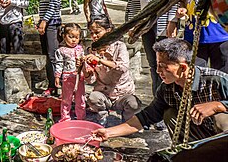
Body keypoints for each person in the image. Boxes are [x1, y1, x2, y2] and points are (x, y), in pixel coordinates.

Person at [91, 38, 228, 143]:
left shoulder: (216, 80)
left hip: (221, 138)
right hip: (199, 135)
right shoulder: (166, 88)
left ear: (183, 68)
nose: (158, 71)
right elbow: (145, 117)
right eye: (157, 66)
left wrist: (218, 105)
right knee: (170, 114)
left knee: (221, 117)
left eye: (163, 67)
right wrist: (108, 133)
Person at [125, 0, 181, 101]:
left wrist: (173, 20)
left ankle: (169, 102)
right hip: (146, 23)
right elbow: (133, 0)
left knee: (167, 64)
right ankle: (157, 101)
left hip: (163, 20)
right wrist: (132, 24)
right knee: (153, 64)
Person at [85, 15, 140, 126]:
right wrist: (85, 70)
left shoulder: (120, 47)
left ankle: (127, 122)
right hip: (104, 94)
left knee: (133, 104)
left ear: (108, 30)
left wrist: (100, 60)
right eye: (91, 33)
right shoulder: (91, 51)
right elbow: (91, 80)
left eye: (97, 32)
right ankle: (102, 116)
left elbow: (123, 67)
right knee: (93, 98)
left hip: (122, 93)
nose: (94, 36)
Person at [37, 0, 62, 96]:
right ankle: (52, 83)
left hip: (51, 23)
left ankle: (56, 84)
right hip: (47, 21)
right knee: (47, 54)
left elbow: (54, 3)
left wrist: (44, 21)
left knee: (53, 55)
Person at [54, 23, 86, 122]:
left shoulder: (80, 49)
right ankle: (65, 118)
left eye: (76, 37)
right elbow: (59, 64)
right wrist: (57, 77)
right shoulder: (61, 51)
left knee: (80, 98)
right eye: (71, 37)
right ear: (64, 36)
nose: (74, 40)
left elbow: (84, 62)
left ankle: (81, 117)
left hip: (79, 77)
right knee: (66, 99)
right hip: (67, 77)